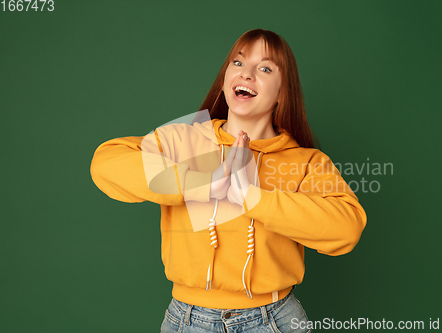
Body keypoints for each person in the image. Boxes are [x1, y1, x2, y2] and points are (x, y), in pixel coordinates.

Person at [90, 29, 367, 333]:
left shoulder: (305, 162)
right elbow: (106, 163)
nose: (247, 74)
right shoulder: (184, 139)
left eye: (264, 68)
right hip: (186, 320)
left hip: (275, 320)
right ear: (224, 80)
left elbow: (347, 227)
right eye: (238, 63)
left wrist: (250, 197)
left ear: (283, 91)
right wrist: (201, 182)